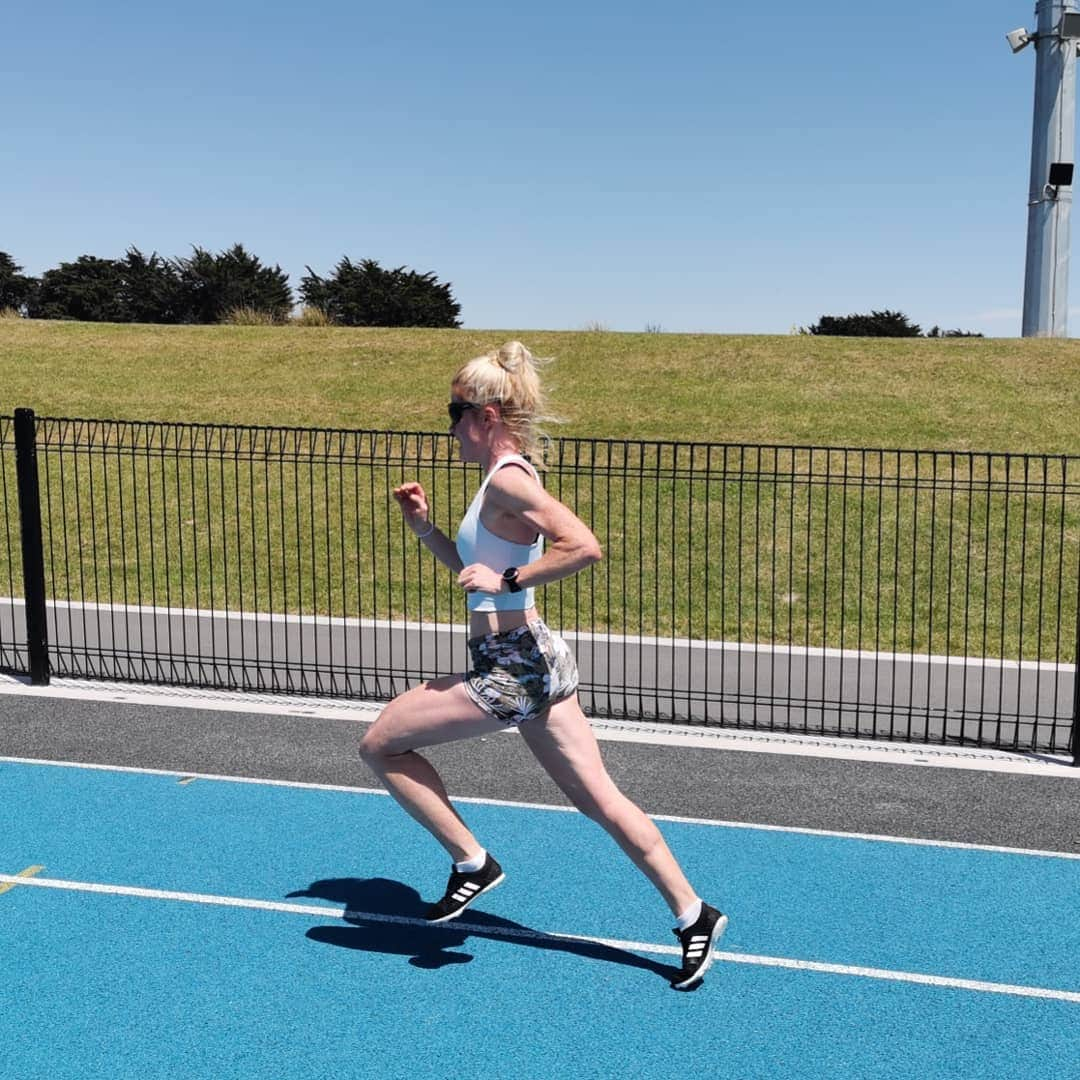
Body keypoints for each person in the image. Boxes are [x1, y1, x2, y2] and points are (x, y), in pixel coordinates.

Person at [359, 341, 726, 990]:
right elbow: (477, 577)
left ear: (487, 416)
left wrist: (509, 576)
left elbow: (583, 546)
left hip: (512, 667)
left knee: (380, 744)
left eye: (454, 411)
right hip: (535, 659)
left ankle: (471, 862)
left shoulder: (508, 478)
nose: (449, 427)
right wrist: (425, 529)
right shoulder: (502, 481)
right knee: (602, 801)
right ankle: (694, 914)